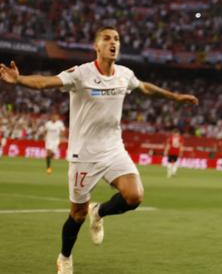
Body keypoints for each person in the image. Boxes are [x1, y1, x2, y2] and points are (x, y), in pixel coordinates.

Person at [0, 26, 198, 274]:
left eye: (116, 39)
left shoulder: (125, 74)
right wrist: (19, 80)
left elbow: (145, 88)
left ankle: (100, 210)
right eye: (107, 39)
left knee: (134, 196)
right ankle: (65, 257)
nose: (113, 42)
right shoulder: (81, 73)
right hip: (84, 155)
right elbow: (46, 83)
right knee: (77, 214)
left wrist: (175, 97)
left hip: (114, 149)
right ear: (97, 47)